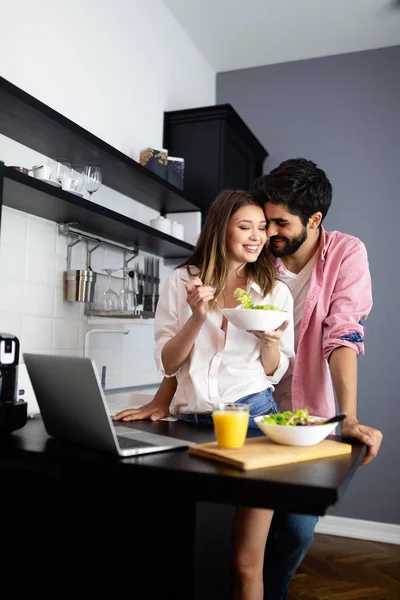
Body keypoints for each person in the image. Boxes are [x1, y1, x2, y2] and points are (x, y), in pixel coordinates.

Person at [114, 159, 384, 600]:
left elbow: (342, 335)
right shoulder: (253, 264)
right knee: (198, 537)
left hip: (286, 411)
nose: (265, 233)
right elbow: (191, 357)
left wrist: (348, 416)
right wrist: (164, 397)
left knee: (292, 532)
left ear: (313, 221)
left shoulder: (335, 258)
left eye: (277, 223)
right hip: (218, 409)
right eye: (257, 224)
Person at [114, 188, 295, 600]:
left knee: (246, 562)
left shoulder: (275, 291)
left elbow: (274, 369)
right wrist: (197, 317)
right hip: (190, 429)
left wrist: (269, 341)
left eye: (262, 228)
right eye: (245, 227)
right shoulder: (182, 281)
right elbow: (168, 362)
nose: (256, 237)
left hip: (254, 425)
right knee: (183, 553)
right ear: (220, 229)